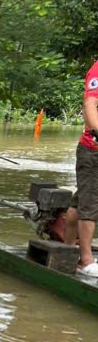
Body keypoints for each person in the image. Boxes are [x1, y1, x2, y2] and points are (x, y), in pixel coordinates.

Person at [73, 58, 98, 277]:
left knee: (80, 200)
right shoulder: (97, 70)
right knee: (89, 203)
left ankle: (67, 246)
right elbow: (90, 104)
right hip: (93, 149)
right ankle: (85, 260)